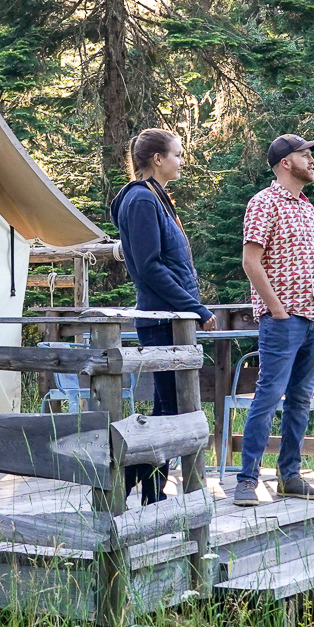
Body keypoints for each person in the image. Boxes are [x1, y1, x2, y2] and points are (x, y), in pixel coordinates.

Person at [108, 127, 213, 505]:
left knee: (167, 407)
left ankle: (148, 487)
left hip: (173, 315)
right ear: (157, 159)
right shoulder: (141, 201)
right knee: (169, 408)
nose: (182, 161)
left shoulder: (157, 198)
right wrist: (195, 307)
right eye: (178, 154)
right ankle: (128, 478)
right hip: (161, 317)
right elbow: (150, 267)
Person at [235, 133, 314, 507]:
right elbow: (251, 262)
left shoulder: (308, 208)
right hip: (283, 319)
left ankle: (289, 476)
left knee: (301, 399)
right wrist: (276, 309)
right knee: (268, 396)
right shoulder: (263, 203)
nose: (312, 159)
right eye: (305, 153)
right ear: (285, 163)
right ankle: (247, 480)